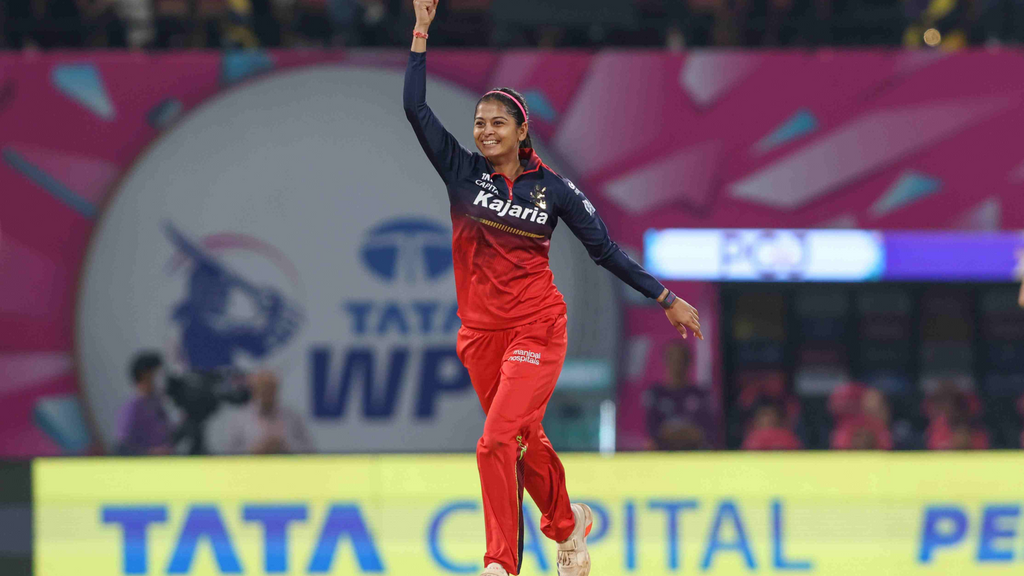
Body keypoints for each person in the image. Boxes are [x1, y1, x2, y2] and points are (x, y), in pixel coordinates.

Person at [404, 2, 703, 574]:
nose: (484, 131)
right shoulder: (461, 172)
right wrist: (421, 32)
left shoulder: (555, 190)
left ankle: (500, 562)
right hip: (479, 336)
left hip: (537, 328)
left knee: (496, 441)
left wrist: (665, 298)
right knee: (525, 439)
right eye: (479, 123)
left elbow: (605, 250)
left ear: (522, 131)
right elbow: (415, 108)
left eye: (497, 123)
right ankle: (569, 525)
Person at [643, 341, 715, 450]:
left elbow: (705, 432)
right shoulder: (655, 394)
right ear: (665, 361)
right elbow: (652, 431)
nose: (677, 365)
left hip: (694, 451)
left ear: (689, 363)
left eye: (681, 361)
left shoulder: (700, 395)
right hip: (662, 451)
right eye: (673, 360)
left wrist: (681, 433)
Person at [225, 369, 314, 454]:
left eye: (270, 388)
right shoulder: (240, 420)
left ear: (276, 389)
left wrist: (286, 447)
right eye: (262, 388)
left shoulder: (292, 417)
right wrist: (253, 450)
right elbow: (227, 454)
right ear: (253, 390)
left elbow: (310, 450)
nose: (266, 393)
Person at [115, 351, 176, 455]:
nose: (162, 379)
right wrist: (152, 453)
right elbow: (122, 448)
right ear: (145, 375)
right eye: (158, 374)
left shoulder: (157, 403)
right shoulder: (133, 408)